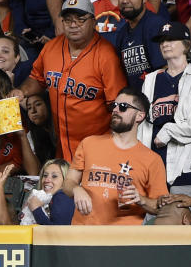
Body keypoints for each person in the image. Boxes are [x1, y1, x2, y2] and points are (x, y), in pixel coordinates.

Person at [15, 0, 128, 160]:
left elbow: (117, 106)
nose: (73, 25)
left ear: (93, 21)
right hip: (62, 145)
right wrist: (22, 90)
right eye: (68, 20)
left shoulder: (106, 55)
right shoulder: (51, 48)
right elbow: (37, 78)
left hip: (97, 148)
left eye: (80, 20)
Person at [63, 87, 169, 225]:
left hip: (123, 241)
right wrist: (76, 189)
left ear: (140, 116)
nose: (115, 110)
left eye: (123, 107)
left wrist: (141, 200)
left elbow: (162, 208)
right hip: (82, 235)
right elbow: (68, 183)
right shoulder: (89, 143)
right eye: (114, 105)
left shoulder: (152, 160)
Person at [137, 22, 191, 205]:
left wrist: (168, 131)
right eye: (162, 40)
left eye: (172, 39)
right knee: (155, 225)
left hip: (189, 164)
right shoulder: (150, 80)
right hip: (155, 164)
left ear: (187, 45)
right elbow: (143, 125)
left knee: (189, 223)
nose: (165, 44)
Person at [113, 0, 168, 90]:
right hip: (136, 101)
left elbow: (165, 70)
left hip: (158, 99)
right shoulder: (122, 33)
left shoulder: (155, 25)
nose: (124, 0)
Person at [24, 92, 57, 164]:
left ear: (49, 105)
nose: (33, 111)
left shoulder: (62, 128)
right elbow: (34, 172)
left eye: (38, 104)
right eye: (29, 108)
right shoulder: (30, 136)